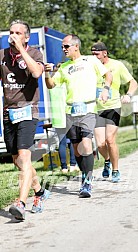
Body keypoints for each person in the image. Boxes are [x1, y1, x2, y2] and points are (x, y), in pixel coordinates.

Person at [45, 34, 112, 197]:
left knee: (86, 144)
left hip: (88, 110)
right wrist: (46, 74)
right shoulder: (64, 67)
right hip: (70, 112)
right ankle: (84, 175)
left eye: (66, 46)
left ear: (76, 46)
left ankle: (87, 183)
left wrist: (105, 89)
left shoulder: (91, 61)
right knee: (76, 150)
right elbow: (51, 85)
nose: (63, 49)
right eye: (62, 47)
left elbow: (108, 75)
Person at [0, 20, 50, 220]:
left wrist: (21, 49)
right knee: (17, 161)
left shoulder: (35, 53)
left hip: (28, 110)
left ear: (26, 37)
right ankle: (39, 191)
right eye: (11, 32)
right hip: (8, 112)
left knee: (25, 156)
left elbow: (37, 72)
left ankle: (20, 203)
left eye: (18, 33)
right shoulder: (2, 55)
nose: (13, 36)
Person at [91, 42, 138, 182]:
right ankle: (107, 160)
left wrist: (128, 95)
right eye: (92, 54)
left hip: (113, 106)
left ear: (105, 53)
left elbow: (133, 82)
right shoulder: (91, 66)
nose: (94, 57)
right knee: (100, 143)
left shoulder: (117, 65)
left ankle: (115, 169)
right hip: (96, 108)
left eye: (96, 54)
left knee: (110, 140)